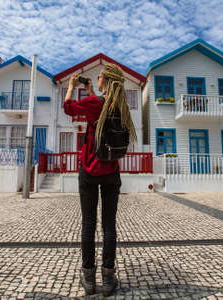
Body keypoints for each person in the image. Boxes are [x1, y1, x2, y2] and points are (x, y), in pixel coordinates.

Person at [63, 63, 137, 296]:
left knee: (88, 224)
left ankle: (88, 278)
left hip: (89, 171)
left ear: (107, 80)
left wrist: (72, 86)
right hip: (111, 173)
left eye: (100, 75)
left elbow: (68, 108)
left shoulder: (96, 104)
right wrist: (92, 90)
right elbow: (100, 112)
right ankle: (108, 279)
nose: (98, 77)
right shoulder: (121, 108)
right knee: (108, 226)